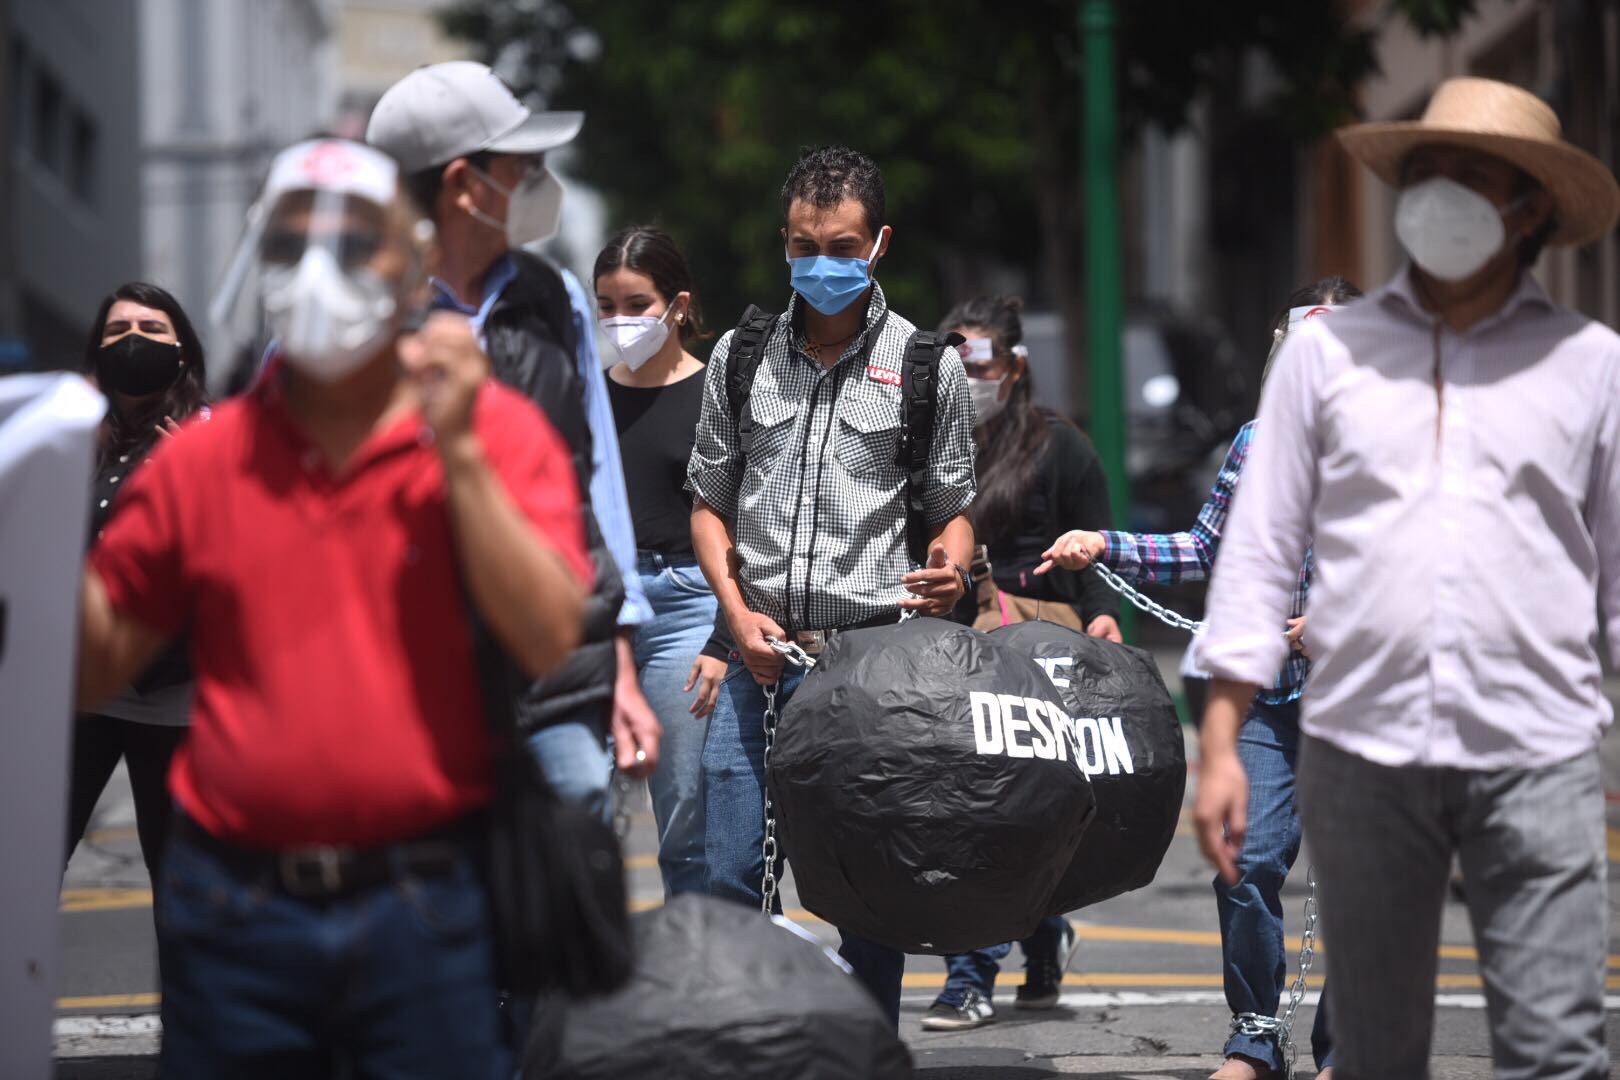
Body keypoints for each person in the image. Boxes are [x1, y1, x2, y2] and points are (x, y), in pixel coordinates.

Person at [76, 137, 590, 1078]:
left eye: (354, 245)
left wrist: (461, 455)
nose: (319, 272)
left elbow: (549, 631)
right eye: (289, 244)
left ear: (415, 265)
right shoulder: (204, 458)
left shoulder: (496, 433)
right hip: (233, 908)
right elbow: (95, 661)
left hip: (426, 899)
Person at [1191, 77, 1620, 1080]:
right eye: (1427, 173)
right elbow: (1254, 561)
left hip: (1537, 750)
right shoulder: (1324, 359)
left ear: (1530, 211)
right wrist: (1219, 740)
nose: (1443, 196)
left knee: (1559, 1049)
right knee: (1378, 1053)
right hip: (1363, 754)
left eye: (1474, 177)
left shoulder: (1591, 365)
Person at [688, 145, 977, 1027]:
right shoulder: (739, 358)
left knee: (868, 890)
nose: (826, 264)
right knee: (729, 872)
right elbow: (708, 503)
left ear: (879, 242)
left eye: (845, 246)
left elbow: (952, 506)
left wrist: (952, 567)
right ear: (785, 242)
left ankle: (866, 1049)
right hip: (758, 655)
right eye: (808, 245)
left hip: (870, 672)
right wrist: (735, 621)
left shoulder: (928, 368)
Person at [1044, 277, 1362, 1078]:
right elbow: (1206, 551)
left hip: (1361, 702)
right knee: (1247, 859)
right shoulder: (1258, 442)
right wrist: (1102, 543)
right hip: (1262, 693)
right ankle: (1255, 1039)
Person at [366, 60, 659, 819]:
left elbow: (593, 483)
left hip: (558, 672)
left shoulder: (554, 296)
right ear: (465, 183)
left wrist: (619, 665)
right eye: (525, 165)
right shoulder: (356, 318)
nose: (542, 180)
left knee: (568, 892)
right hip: (404, 678)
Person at [921, 293, 1121, 1031]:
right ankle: (1023, 945)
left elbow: (1097, 543)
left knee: (1023, 801)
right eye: (952, 361)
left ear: (1014, 365)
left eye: (977, 361)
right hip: (950, 643)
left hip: (1041, 640)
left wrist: (1104, 614)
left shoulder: (1057, 444)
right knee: (967, 804)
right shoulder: (922, 444)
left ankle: (982, 969)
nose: (967, 376)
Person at [65, 282, 209, 887]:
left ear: (181, 351)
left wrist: (200, 482)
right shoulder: (74, 440)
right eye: (118, 331)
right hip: (81, 694)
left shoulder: (209, 436)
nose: (133, 342)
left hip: (169, 699)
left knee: (177, 888)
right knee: (24, 866)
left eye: (152, 330)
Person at [597, 225, 722, 896]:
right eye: (607, 305)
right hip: (599, 610)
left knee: (685, 812)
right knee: (582, 804)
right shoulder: (590, 396)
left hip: (686, 603)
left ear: (677, 305)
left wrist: (726, 632)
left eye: (636, 303)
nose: (621, 320)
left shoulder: (716, 395)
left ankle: (695, 973)